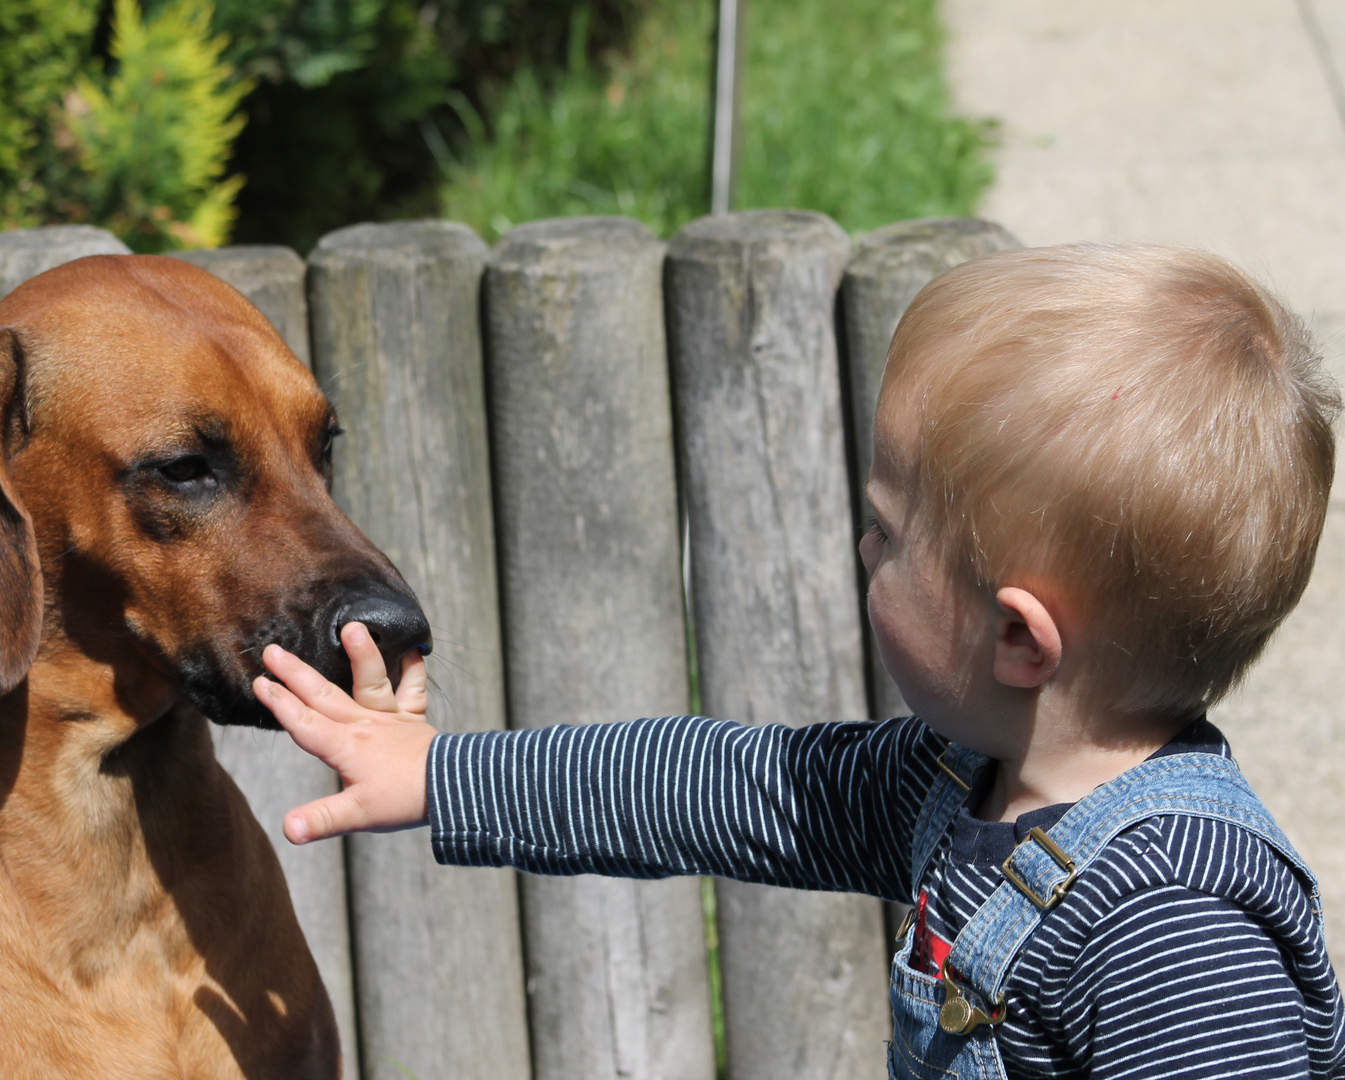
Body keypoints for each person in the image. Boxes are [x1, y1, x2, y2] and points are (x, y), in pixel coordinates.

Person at [252, 244, 1345, 1078]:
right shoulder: (956, 780)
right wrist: (442, 777)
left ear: (1019, 638)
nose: (860, 543)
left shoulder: (1176, 936)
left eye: (886, 528)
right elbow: (720, 786)